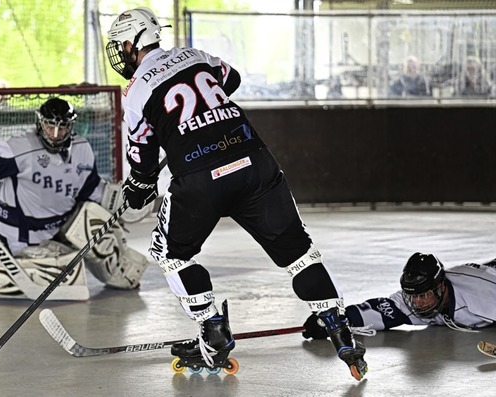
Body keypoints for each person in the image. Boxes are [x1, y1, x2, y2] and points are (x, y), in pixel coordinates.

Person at [105, 7, 367, 381]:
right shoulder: (195, 56)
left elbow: (142, 157)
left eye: (121, 46)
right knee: (298, 254)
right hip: (254, 162)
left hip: (200, 177)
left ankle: (212, 333)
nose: (119, 54)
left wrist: (140, 186)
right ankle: (341, 331)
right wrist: (204, 116)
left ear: (133, 43)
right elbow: (233, 78)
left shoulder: (137, 90)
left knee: (170, 254)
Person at [0, 97, 150, 300]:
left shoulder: (82, 148)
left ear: (72, 126)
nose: (56, 134)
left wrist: (124, 200)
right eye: (50, 127)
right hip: (23, 238)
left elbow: (91, 189)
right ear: (40, 123)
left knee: (98, 223)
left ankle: (117, 272)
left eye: (63, 128)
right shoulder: (20, 148)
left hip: (61, 230)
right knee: (65, 278)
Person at [302, 253, 496, 340]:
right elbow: (380, 311)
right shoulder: (417, 299)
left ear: (441, 287)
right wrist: (334, 322)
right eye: (413, 297)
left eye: (424, 296)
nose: (417, 304)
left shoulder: (483, 296)